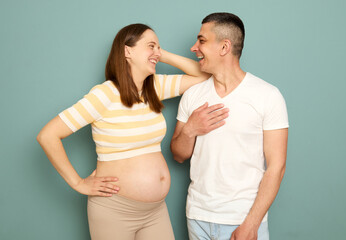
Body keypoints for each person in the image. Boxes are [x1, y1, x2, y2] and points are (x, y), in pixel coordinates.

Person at [37, 23, 209, 240]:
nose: (156, 51)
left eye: (158, 47)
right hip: (114, 211)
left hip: (155, 211)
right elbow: (48, 135)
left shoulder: (154, 87)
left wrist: (159, 54)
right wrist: (78, 183)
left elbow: (204, 76)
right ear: (128, 51)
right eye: (150, 46)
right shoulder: (104, 94)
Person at [171, 13, 289, 240]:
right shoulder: (193, 95)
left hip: (242, 221)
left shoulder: (268, 96)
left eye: (202, 41)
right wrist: (190, 129)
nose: (194, 47)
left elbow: (277, 167)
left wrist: (251, 224)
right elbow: (178, 155)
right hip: (198, 218)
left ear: (224, 46)